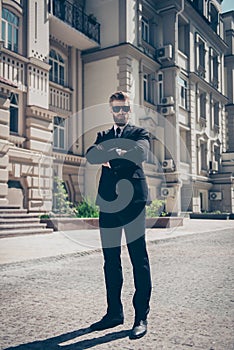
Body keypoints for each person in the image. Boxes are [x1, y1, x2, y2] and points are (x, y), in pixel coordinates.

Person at [85, 91, 152, 340]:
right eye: (116, 109)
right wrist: (120, 154)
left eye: (124, 108)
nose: (120, 112)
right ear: (111, 110)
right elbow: (92, 155)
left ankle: (140, 317)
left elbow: (139, 154)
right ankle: (114, 313)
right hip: (109, 204)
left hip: (133, 202)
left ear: (129, 109)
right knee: (110, 260)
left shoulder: (139, 134)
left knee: (138, 259)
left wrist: (110, 157)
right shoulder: (103, 135)